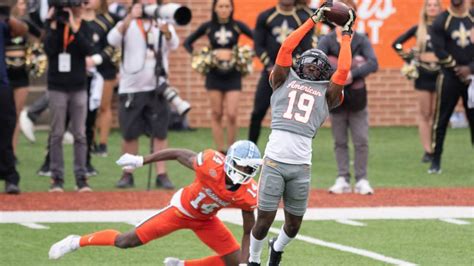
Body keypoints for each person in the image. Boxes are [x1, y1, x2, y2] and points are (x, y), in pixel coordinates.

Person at [248, 5, 355, 265]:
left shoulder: (328, 94)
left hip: (300, 165)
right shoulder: (281, 78)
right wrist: (311, 21)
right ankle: (253, 260)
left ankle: (278, 247)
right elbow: (285, 48)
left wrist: (346, 35)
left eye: (319, 65)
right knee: (263, 220)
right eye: (310, 62)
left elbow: (342, 71)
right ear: (301, 62)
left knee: (294, 225)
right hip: (274, 160)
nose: (314, 68)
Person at [48, 140, 262, 266]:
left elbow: (248, 230)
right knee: (125, 241)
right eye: (241, 166)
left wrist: (247, 262)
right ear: (230, 160)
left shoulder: (247, 192)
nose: (243, 172)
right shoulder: (211, 163)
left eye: (249, 169)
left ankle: (180, 265)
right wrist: (142, 160)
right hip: (180, 210)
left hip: (206, 220)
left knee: (235, 261)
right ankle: (76, 241)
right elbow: (178, 154)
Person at [108, 0, 178, 189]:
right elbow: (112, 40)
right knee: (130, 133)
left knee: (160, 132)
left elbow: (174, 43)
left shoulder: (162, 21)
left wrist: (166, 30)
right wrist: (130, 17)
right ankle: (128, 173)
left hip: (157, 86)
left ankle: (161, 174)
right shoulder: (128, 22)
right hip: (131, 87)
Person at [318, 0, 378, 195]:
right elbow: (318, 62)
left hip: (358, 98)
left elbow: (373, 63)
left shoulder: (360, 39)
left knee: (361, 140)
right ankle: (342, 177)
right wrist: (337, 75)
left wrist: (353, 73)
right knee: (339, 141)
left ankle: (361, 179)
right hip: (335, 97)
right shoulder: (326, 40)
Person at [184, 0, 253, 153]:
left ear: (231, 8)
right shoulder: (208, 26)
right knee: (217, 113)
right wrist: (203, 57)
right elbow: (188, 42)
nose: (224, 9)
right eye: (220, 6)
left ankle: (231, 149)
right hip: (214, 75)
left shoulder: (237, 25)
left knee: (232, 113)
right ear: (215, 8)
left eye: (227, 6)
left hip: (233, 75)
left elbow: (257, 39)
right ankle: (220, 150)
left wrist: (244, 55)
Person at [248, 0, 314, 145]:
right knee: (257, 112)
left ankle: (291, 149)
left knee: (291, 117)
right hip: (268, 73)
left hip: (293, 76)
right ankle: (250, 148)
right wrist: (270, 65)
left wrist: (289, 67)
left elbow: (306, 47)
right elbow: (258, 45)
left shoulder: (303, 18)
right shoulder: (266, 16)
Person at [44, 5, 94, 192]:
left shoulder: (84, 27)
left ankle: (81, 177)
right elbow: (49, 49)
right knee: (56, 133)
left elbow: (87, 49)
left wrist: (74, 27)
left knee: (80, 134)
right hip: (57, 86)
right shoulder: (53, 26)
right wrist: (53, 26)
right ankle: (56, 178)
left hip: (78, 86)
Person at [392, 0, 442, 163]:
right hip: (423, 75)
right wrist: (410, 57)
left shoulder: (445, 27)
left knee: (437, 114)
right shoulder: (419, 29)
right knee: (424, 113)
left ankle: (437, 148)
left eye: (435, 5)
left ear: (440, 9)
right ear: (425, 9)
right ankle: (428, 150)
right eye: (429, 5)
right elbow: (396, 44)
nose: (432, 8)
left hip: (441, 74)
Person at [429, 0, 474, 174]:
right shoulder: (442, 20)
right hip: (449, 77)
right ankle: (435, 161)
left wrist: (469, 68)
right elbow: (439, 50)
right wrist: (457, 68)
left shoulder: (472, 17)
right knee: (441, 120)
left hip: (472, 78)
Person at [82, 0, 120, 175]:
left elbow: (114, 44)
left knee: (103, 106)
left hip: (105, 68)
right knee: (88, 110)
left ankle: (102, 144)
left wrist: (101, 59)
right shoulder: (80, 18)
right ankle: (90, 142)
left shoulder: (110, 19)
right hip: (85, 69)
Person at [7, 0, 42, 160]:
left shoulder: (26, 24)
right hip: (5, 73)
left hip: (21, 74)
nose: (23, 7)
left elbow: (41, 37)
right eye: (20, 4)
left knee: (16, 114)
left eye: (25, 5)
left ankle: (12, 152)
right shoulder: (4, 23)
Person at [0, 3, 28, 194]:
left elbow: (22, 30)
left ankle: (10, 177)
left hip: (1, 84)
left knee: (5, 131)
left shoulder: (2, 24)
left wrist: (7, 16)